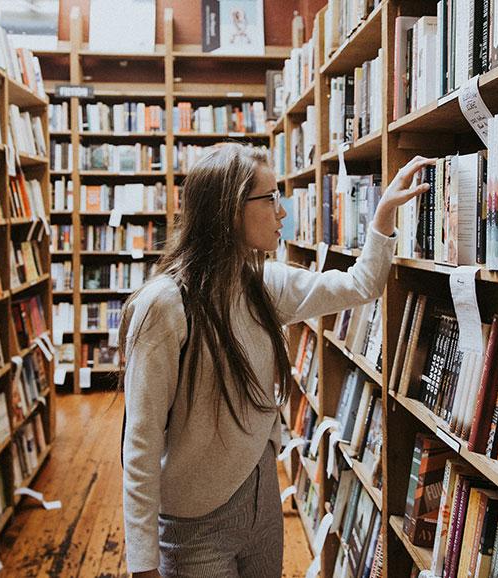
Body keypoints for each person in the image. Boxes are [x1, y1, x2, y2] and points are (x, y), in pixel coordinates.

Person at [119, 143, 434, 578]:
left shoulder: (265, 284)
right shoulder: (165, 305)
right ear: (231, 210)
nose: (282, 210)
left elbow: (361, 285)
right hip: (195, 522)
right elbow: (141, 438)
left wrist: (381, 218)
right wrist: (142, 563)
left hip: (262, 497)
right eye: (269, 198)